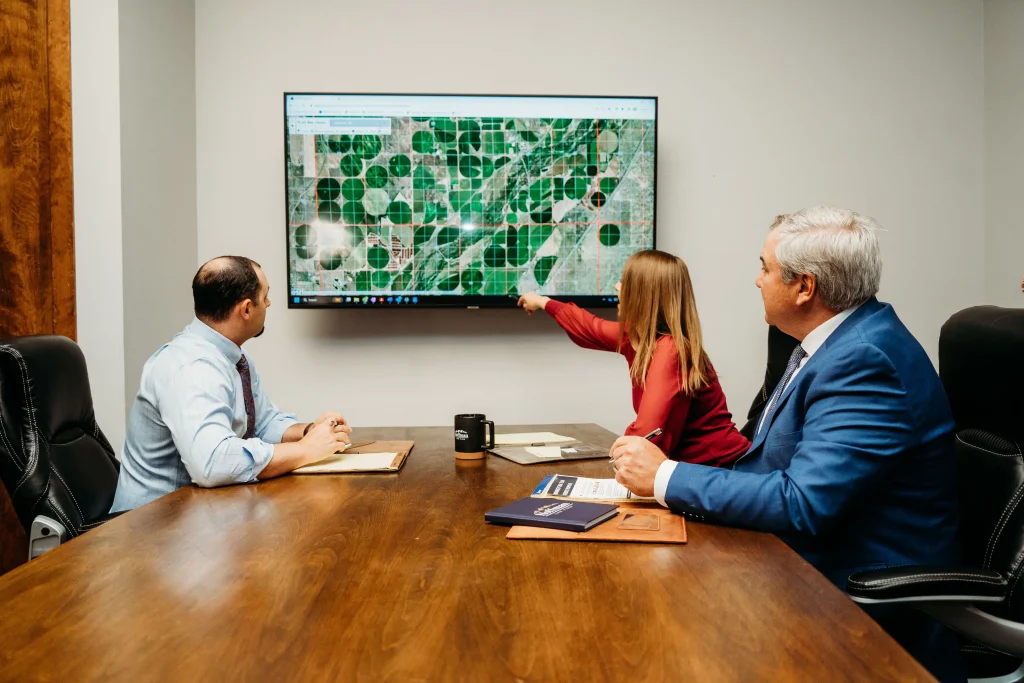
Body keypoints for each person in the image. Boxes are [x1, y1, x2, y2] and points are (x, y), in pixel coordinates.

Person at [608, 208, 963, 681]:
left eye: (764, 267)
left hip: (859, 603)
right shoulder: (834, 344)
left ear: (805, 287)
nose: (757, 281)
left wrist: (665, 477)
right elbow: (771, 467)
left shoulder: (864, 361)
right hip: (799, 565)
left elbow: (803, 502)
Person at [110, 256, 352, 512]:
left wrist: (309, 431)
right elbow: (213, 464)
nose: (269, 303)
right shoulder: (192, 368)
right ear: (246, 309)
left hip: (200, 514)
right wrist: (305, 450)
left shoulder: (233, 357)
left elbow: (261, 424)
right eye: (265, 296)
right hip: (149, 531)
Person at [518, 249, 749, 467]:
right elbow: (588, 327)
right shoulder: (638, 337)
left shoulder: (671, 350)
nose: (617, 286)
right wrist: (542, 301)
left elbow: (647, 433)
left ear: (643, 294)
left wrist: (617, 460)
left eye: (625, 281)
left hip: (723, 473)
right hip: (693, 473)